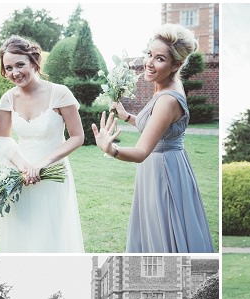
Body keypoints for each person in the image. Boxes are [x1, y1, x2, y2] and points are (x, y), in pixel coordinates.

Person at [92, 24, 214, 253]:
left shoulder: (168, 99)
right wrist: (127, 116)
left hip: (163, 172)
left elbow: (141, 152)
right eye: (149, 54)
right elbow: (157, 127)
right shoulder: (167, 85)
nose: (149, 62)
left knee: (164, 232)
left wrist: (111, 150)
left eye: (159, 59)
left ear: (176, 64)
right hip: (166, 165)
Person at [0, 35, 85, 252]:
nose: (15, 72)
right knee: (23, 234)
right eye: (8, 68)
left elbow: (77, 136)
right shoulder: (7, 98)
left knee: (50, 237)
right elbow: (4, 138)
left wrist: (43, 164)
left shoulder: (60, 93)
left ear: (34, 62)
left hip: (53, 174)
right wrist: (22, 166)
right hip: (19, 176)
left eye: (20, 65)